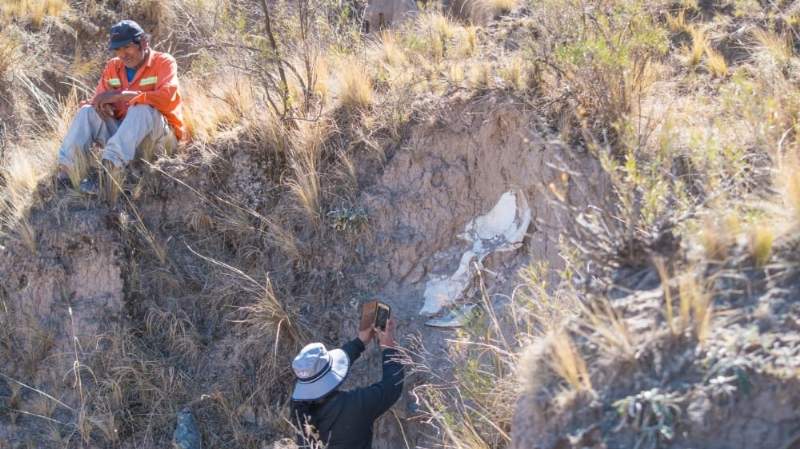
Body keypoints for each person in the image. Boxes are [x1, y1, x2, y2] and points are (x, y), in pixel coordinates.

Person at [56, 19, 185, 194]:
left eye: (128, 47)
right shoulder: (113, 67)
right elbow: (98, 99)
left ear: (144, 43)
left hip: (158, 140)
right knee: (87, 112)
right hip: (125, 139)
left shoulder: (164, 62)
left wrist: (122, 95)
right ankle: (67, 174)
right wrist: (100, 104)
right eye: (118, 49)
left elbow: (166, 97)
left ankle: (110, 171)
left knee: (141, 109)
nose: (123, 54)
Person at [290, 318, 404, 449]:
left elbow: (324, 369)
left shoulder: (298, 407)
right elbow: (393, 386)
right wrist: (389, 347)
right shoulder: (354, 406)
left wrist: (359, 342)